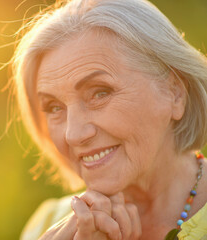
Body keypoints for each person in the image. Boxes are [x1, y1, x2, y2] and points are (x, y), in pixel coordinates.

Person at [11, 0, 207, 239]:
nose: (73, 134)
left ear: (175, 93)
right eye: (54, 107)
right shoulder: (47, 224)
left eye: (100, 93)